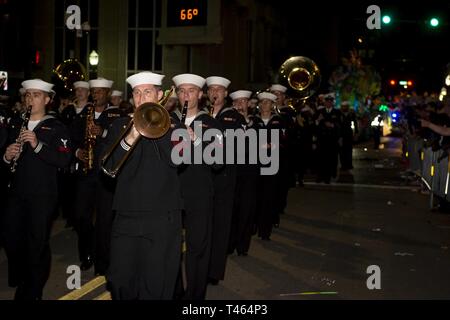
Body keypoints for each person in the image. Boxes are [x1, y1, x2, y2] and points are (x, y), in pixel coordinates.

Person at [102, 71, 183, 300]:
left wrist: (160, 127)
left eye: (147, 92)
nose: (141, 98)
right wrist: (130, 138)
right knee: (119, 280)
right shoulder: (120, 125)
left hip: (162, 217)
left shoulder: (174, 126)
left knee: (156, 283)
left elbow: (179, 159)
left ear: (159, 95)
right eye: (137, 93)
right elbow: (107, 167)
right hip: (126, 214)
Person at [1, 79, 72, 300]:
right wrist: (6, 155)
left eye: (37, 95)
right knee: (11, 238)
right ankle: (26, 274)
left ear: (48, 99)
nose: (31, 99)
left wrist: (37, 144)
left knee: (36, 243)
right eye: (28, 95)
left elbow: (64, 159)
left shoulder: (56, 126)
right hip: (16, 192)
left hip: (43, 195)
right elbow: (3, 154)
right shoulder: (15, 123)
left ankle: (31, 291)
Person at [172, 73, 222, 300]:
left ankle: (194, 296)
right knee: (170, 246)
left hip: (199, 192)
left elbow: (219, 162)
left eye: (191, 91)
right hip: (170, 191)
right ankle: (175, 292)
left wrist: (197, 140)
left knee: (197, 247)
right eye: (181, 91)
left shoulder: (212, 123)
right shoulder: (168, 121)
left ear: (200, 95)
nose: (185, 95)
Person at [71, 78, 122, 275]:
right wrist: (77, 152)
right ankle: (86, 254)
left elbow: (121, 139)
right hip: (86, 172)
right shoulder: (84, 113)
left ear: (108, 93)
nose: (96, 95)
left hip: (106, 175)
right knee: (81, 216)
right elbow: (71, 137)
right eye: (94, 92)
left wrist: (103, 132)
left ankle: (103, 262)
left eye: (100, 92)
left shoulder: (117, 114)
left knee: (104, 219)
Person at [205, 76, 245, 285]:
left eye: (219, 90)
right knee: (204, 224)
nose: (214, 93)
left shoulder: (233, 117)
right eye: (211, 89)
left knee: (220, 224)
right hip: (204, 177)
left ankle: (214, 271)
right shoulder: (202, 115)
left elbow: (239, 146)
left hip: (225, 176)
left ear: (226, 94)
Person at [228, 90, 259, 256]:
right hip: (232, 170)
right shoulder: (229, 122)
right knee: (232, 208)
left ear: (249, 104)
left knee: (247, 209)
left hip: (250, 172)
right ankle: (230, 243)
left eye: (243, 101)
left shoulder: (257, 123)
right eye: (237, 102)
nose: (240, 105)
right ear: (233, 105)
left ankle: (242, 246)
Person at [254, 91, 285, 240]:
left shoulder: (279, 121)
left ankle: (265, 230)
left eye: (267, 102)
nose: (263, 105)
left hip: (273, 163)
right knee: (256, 196)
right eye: (262, 102)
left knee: (269, 196)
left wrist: (275, 145)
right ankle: (254, 225)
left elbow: (285, 141)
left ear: (272, 105)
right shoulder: (253, 121)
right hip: (255, 163)